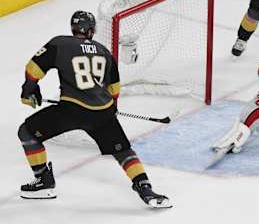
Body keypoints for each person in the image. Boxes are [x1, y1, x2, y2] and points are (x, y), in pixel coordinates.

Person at [17, 11, 171, 208]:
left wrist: (29, 89)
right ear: (92, 30)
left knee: (27, 132)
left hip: (71, 110)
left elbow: (33, 68)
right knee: (123, 150)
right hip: (103, 112)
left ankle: (43, 181)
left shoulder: (60, 43)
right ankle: (145, 188)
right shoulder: (104, 51)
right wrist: (111, 111)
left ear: (73, 29)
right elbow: (114, 89)